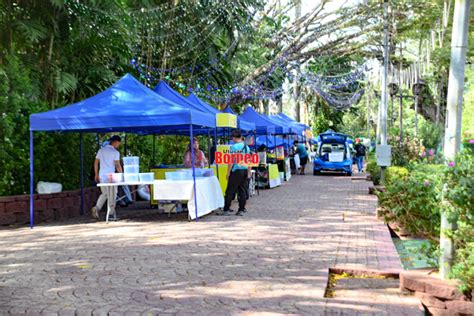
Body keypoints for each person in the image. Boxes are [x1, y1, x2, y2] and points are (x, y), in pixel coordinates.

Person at [91, 135, 123, 220]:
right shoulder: (115, 152)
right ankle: (111, 214)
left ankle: (97, 208)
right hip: (111, 177)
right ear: (115, 142)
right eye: (118, 144)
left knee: (105, 193)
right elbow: (117, 165)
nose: (118, 145)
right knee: (112, 194)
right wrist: (122, 175)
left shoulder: (101, 150)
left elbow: (96, 162)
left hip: (102, 176)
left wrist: (96, 174)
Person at [221, 129, 251, 216]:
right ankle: (241, 209)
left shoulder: (234, 147)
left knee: (230, 190)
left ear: (234, 138)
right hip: (244, 170)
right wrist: (248, 172)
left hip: (236, 171)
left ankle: (226, 209)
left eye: (232, 138)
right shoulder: (247, 147)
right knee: (242, 190)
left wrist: (228, 173)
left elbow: (230, 162)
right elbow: (249, 161)